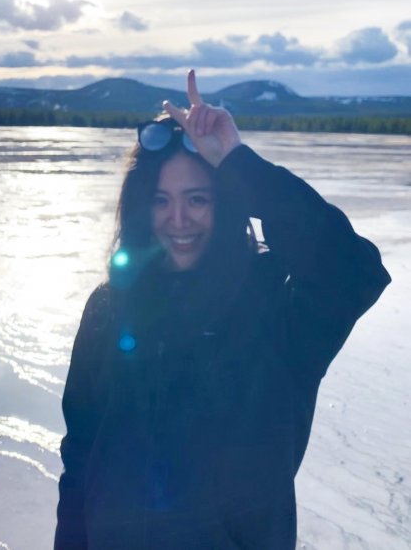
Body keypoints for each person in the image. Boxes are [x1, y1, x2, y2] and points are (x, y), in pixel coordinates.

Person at [54, 69, 390, 550]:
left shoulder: (278, 313)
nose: (178, 219)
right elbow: (80, 457)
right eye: (161, 201)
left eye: (198, 199)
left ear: (228, 204)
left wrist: (239, 164)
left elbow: (353, 271)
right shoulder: (109, 310)